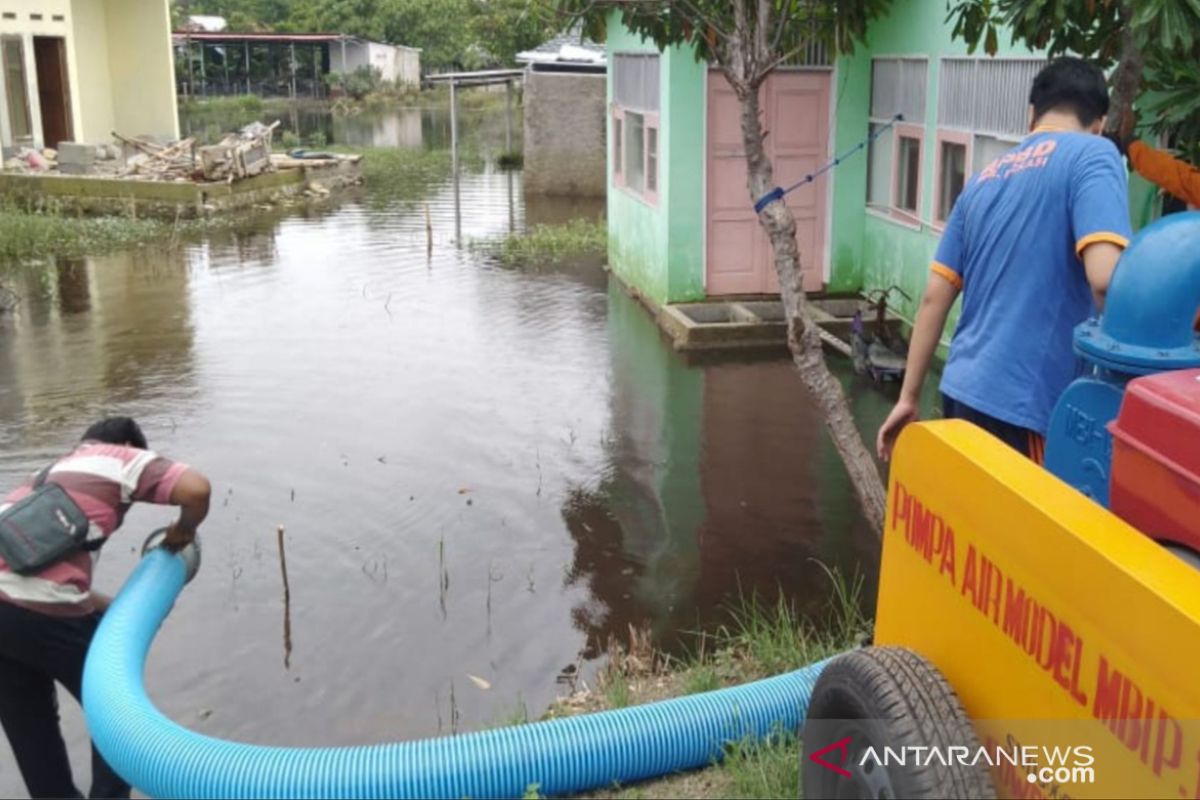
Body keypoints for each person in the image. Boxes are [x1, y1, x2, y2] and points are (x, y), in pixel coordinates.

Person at [877, 57, 1132, 463]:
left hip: (961, 392)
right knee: (1027, 526)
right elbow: (1104, 281)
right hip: (1025, 405)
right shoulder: (1095, 154)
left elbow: (933, 298)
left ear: (1031, 114)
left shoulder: (982, 179)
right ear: (1100, 122)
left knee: (975, 522)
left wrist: (908, 397)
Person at [0, 417, 211, 799]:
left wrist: (122, 610)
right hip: (35, 608)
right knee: (116, 711)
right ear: (131, 445)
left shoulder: (44, 476)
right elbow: (197, 490)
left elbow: (31, 577)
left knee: (30, 727)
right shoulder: (120, 457)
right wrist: (184, 530)